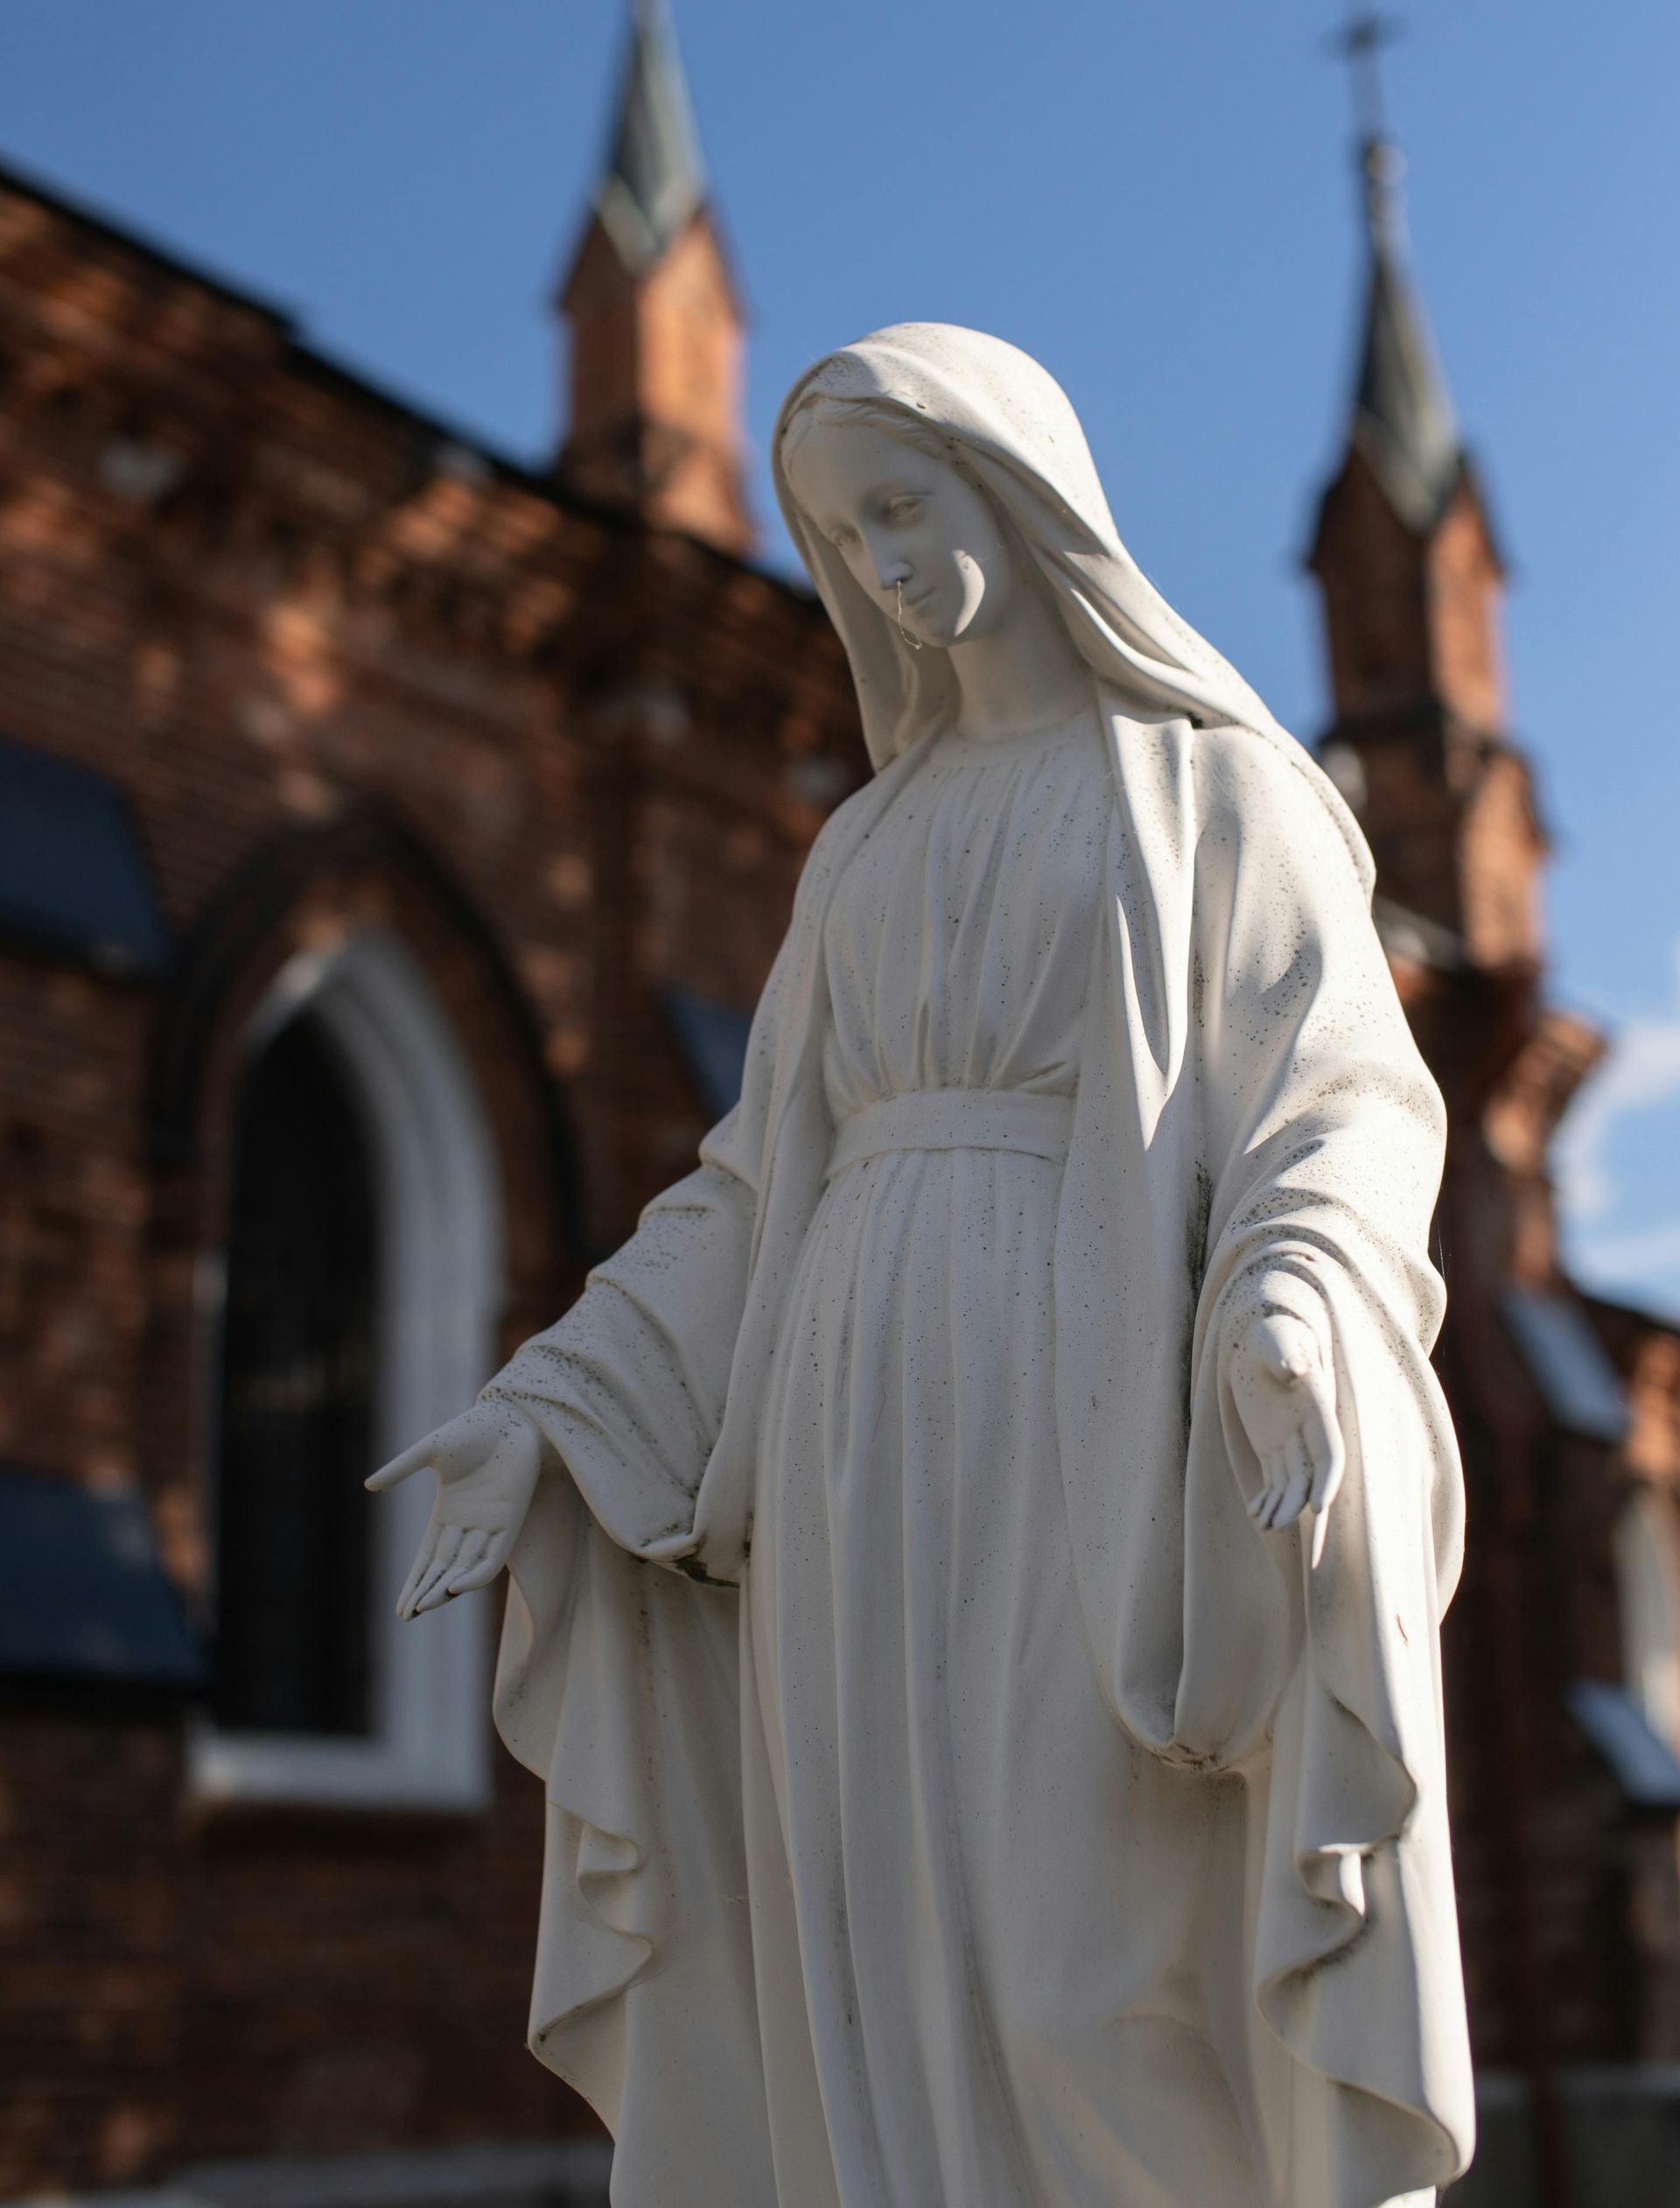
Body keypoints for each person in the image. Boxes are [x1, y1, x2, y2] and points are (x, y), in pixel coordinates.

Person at [369, 325, 1472, 2208]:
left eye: (902, 505)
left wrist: (1295, 1287)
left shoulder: (1215, 794)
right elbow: (745, 1189)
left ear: (1018, 490)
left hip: (1090, 1401)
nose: (877, 565)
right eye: (839, 532)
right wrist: (553, 1408)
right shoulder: (863, 847)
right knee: (869, 1967)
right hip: (844, 1427)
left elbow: (1339, 1094)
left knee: (1085, 1975)